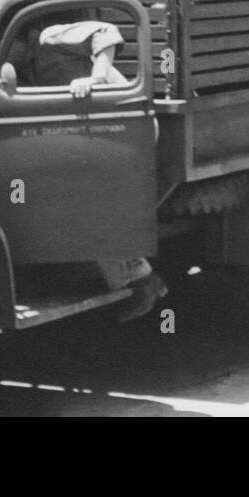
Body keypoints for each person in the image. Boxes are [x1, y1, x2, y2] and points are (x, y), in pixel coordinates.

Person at [27, 21, 169, 318]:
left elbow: (104, 32)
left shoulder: (48, 35)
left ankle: (144, 282)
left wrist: (96, 77)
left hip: (124, 122)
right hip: (93, 127)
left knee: (87, 201)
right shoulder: (9, 54)